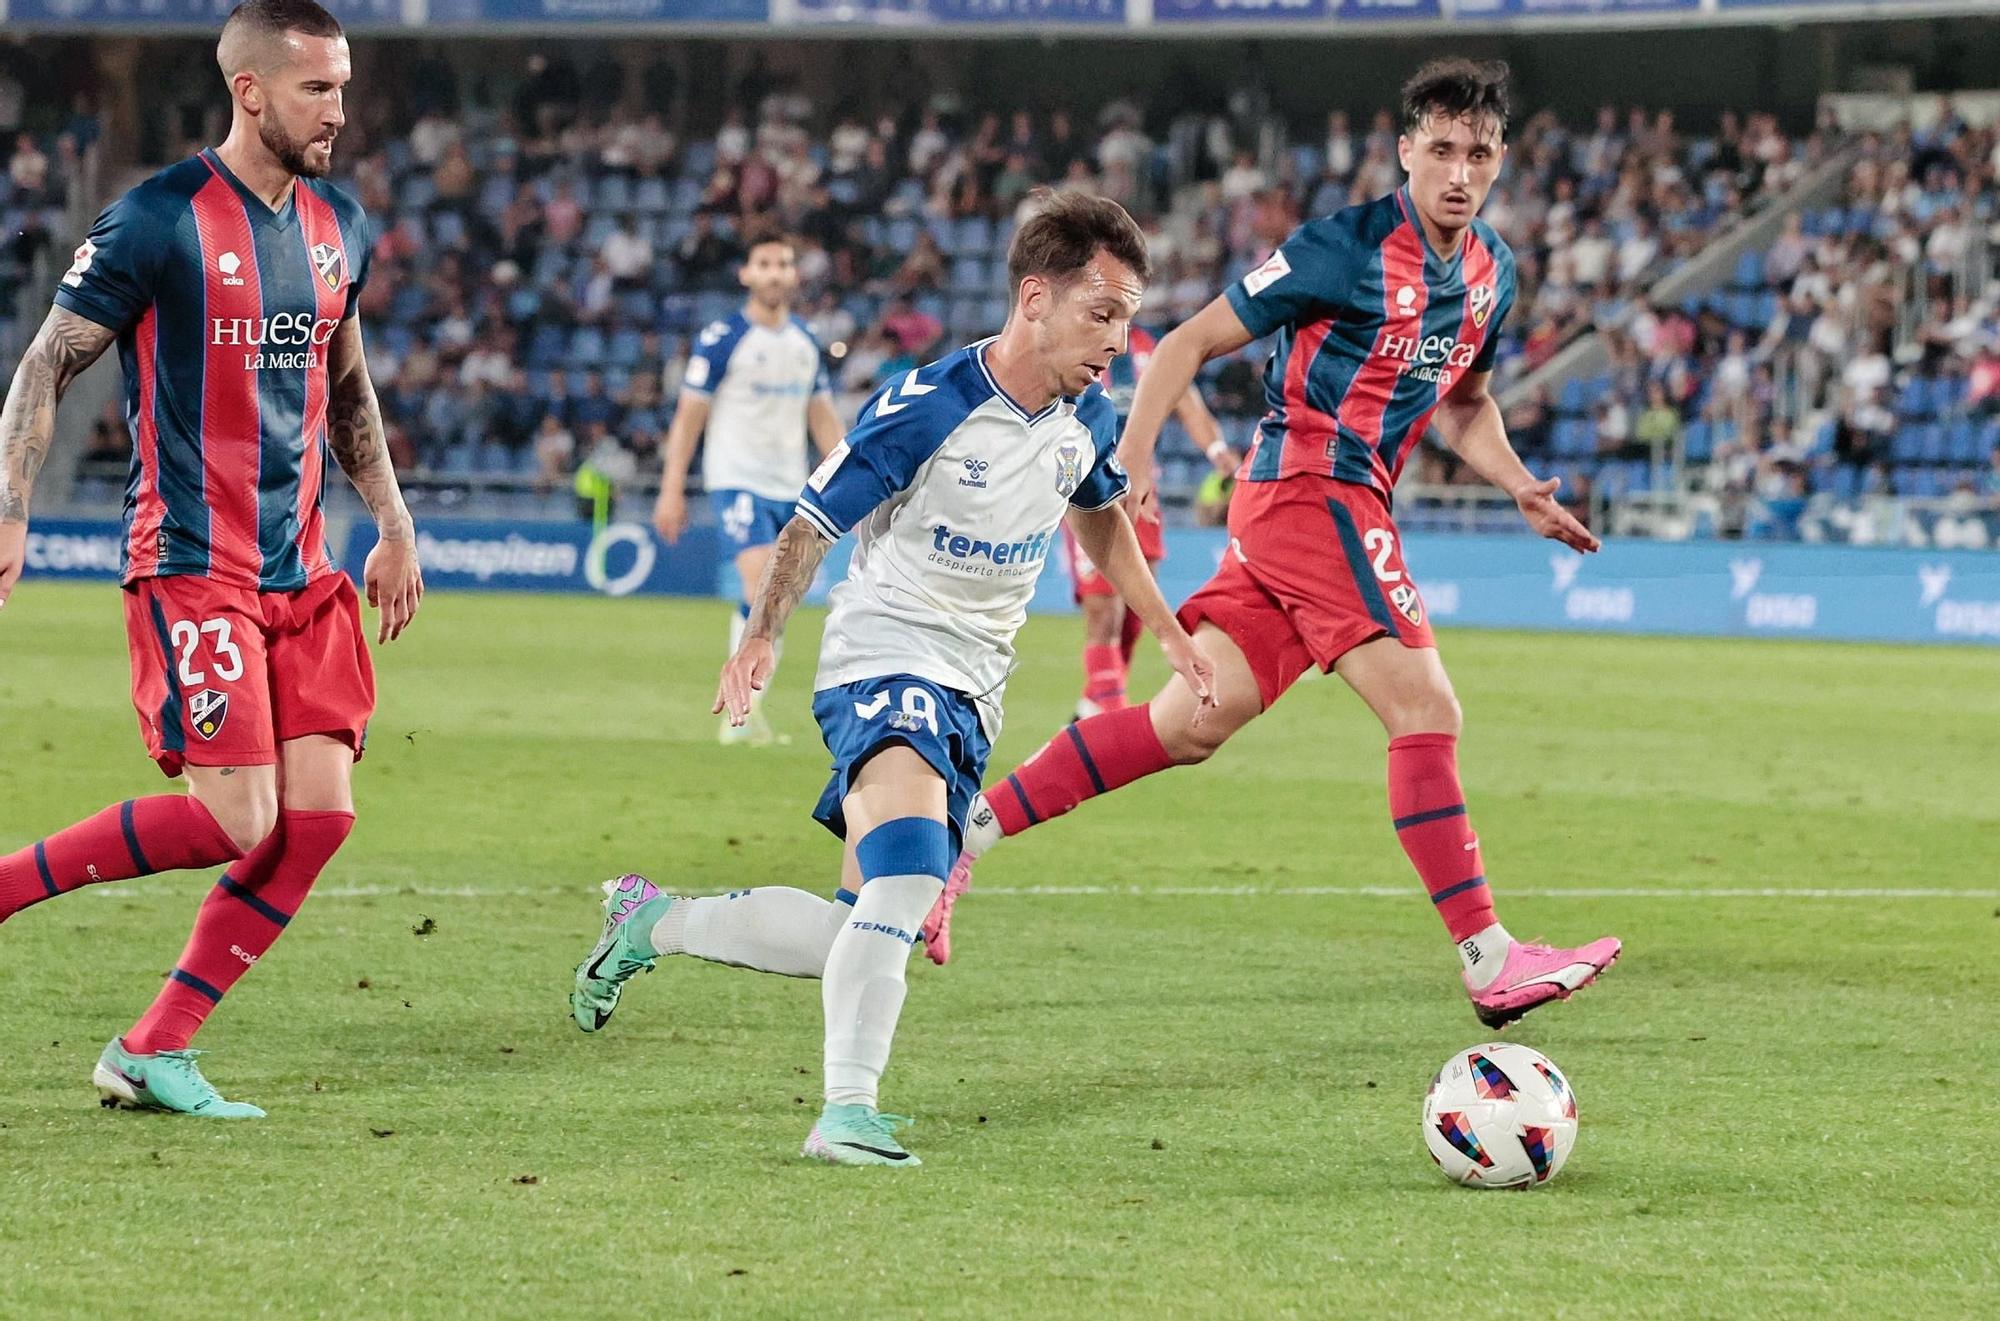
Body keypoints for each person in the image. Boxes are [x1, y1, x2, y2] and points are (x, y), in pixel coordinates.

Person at [925, 60, 1622, 1029]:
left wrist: (1517, 487)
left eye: (1478, 154)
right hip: (1309, 492)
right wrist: (1128, 462)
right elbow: (1179, 345)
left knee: (1187, 722)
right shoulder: (1341, 248)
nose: (1458, 172)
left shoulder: (1490, 273)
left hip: (1325, 509)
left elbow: (1464, 404)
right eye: (1441, 151)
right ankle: (1488, 957)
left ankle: (961, 831)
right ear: (1404, 152)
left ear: (1498, 160)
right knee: (1424, 706)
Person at [569, 192, 1217, 1166]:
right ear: (1033, 298)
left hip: (973, 687)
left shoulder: (1085, 414)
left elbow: (1096, 515)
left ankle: (653, 920)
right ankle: (845, 1112)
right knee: (914, 869)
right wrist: (760, 638)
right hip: (884, 653)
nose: (1117, 342)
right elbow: (810, 521)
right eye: (1102, 314)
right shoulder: (930, 405)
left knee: (857, 930)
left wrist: (1164, 627)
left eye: (1127, 319)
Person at [0, 0, 422, 1117]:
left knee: (319, 817)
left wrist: (392, 515)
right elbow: (46, 365)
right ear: (251, 91)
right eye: (317, 90)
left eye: (343, 86)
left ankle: (153, 1045)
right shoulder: (156, 219)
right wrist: (11, 506)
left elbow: (345, 381)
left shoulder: (341, 224)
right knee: (241, 818)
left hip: (303, 569)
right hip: (193, 560)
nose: (340, 110)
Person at [653, 227, 844, 746]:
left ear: (794, 274)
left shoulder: (806, 341)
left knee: (776, 599)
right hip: (737, 480)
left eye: (783, 264)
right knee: (762, 585)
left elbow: (823, 419)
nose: (775, 273)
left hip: (792, 486)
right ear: (746, 275)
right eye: (764, 264)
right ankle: (741, 717)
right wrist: (672, 489)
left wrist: (850, 479)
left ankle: (747, 711)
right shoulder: (722, 340)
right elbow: (689, 419)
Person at [1061, 323, 1239, 721]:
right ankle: (1109, 711)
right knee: (1104, 611)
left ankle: (1094, 701)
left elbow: (1188, 402)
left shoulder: (1149, 350)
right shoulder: (1078, 341)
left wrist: (1217, 451)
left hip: (1141, 491)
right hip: (1085, 488)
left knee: (1140, 600)